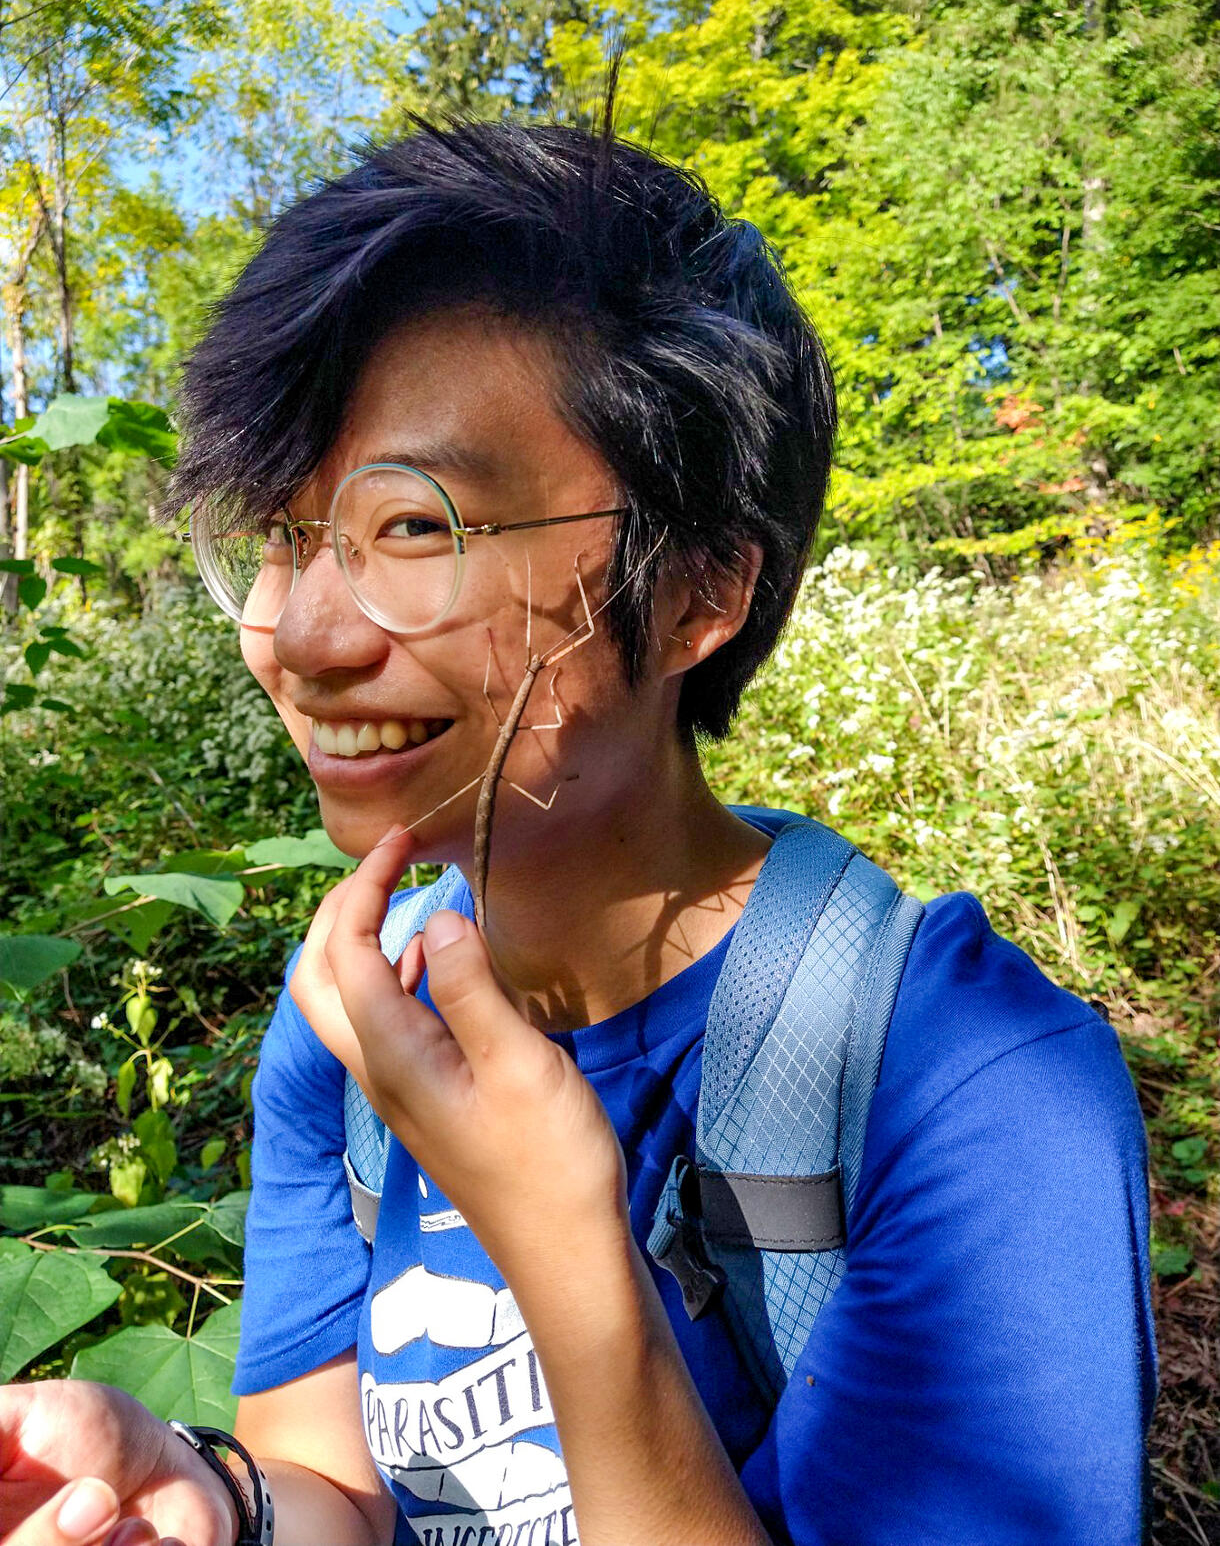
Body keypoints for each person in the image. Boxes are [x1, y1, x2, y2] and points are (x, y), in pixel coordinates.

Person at [0, 117, 1156, 1546]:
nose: (293, 636)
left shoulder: (970, 1084)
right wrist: (217, 1494)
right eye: (286, 536)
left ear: (695, 598)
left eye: (412, 527)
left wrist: (568, 1254)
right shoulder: (352, 1025)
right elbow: (348, 1493)